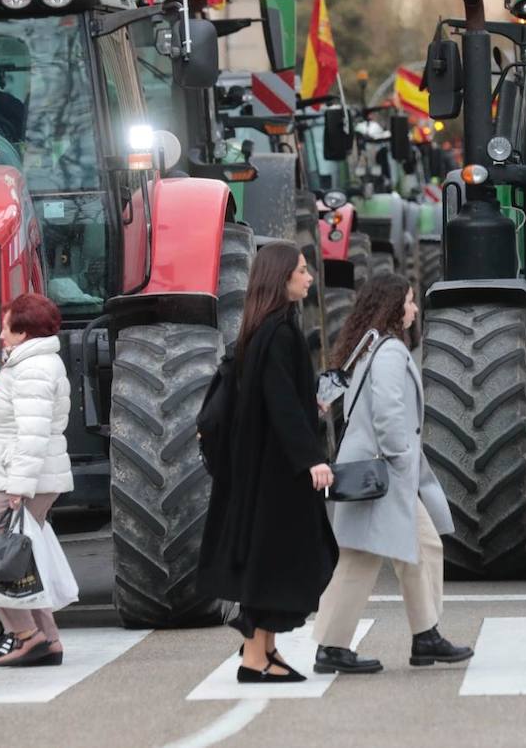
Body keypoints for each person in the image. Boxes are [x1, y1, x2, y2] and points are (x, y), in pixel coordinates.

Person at [312, 274, 472, 675]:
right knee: (361, 558)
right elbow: (387, 410)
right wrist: (401, 455)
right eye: (410, 302)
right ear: (393, 307)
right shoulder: (387, 352)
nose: (414, 309)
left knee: (421, 547)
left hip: (380, 473)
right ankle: (332, 647)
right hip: (384, 474)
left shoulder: (367, 346)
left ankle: (426, 636)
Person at [198, 241, 338, 683]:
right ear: (281, 277)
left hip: (264, 470)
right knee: (274, 564)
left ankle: (266, 651)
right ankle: (254, 658)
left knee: (271, 561)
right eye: (301, 270)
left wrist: (308, 404)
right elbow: (280, 405)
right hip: (277, 475)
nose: (308, 277)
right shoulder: (278, 331)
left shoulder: (263, 328)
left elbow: (278, 400)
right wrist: (311, 458)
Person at [0, 293, 72, 667]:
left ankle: (28, 635)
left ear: (23, 331)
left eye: (6, 326)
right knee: (22, 560)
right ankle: (47, 640)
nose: (0, 334)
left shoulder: (32, 369)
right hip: (31, 475)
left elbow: (31, 435)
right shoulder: (34, 363)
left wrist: (17, 486)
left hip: (22, 477)